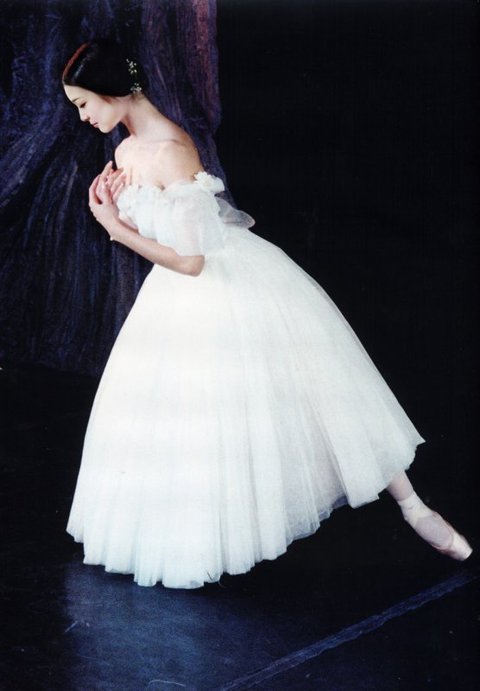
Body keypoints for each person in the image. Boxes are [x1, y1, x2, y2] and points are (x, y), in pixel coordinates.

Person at [61, 39, 472, 589]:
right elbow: (168, 239)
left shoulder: (173, 150)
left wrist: (114, 229)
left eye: (84, 104)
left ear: (111, 92)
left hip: (228, 285)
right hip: (174, 301)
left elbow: (192, 261)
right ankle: (196, 539)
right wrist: (117, 214)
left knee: (320, 388)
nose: (83, 117)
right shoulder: (127, 150)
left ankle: (414, 507)